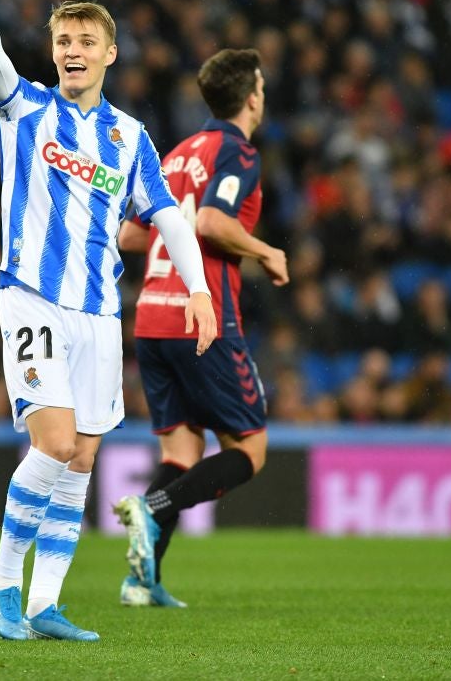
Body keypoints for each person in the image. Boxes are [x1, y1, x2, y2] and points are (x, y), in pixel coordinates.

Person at [0, 0, 216, 642]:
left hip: (98, 311)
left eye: (86, 42)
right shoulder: (28, 107)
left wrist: (197, 290)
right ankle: (2, 587)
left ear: (110, 54)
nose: (73, 52)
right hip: (33, 294)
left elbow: (168, 216)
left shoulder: (128, 137)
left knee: (83, 457)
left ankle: (45, 604)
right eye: (64, 41)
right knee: (55, 442)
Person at [114, 48, 289, 606]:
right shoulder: (237, 152)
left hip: (151, 318)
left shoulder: (180, 153)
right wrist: (265, 251)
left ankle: (142, 582)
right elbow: (212, 222)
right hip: (202, 316)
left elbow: (131, 235)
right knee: (251, 450)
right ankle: (153, 508)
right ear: (253, 96)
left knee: (181, 454)